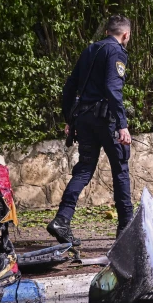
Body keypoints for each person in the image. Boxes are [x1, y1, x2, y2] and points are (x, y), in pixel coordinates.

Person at [47, 15, 134, 246]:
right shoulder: (116, 52)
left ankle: (62, 220)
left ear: (107, 31)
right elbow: (112, 89)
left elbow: (69, 87)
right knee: (120, 170)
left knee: (84, 169)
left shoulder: (89, 51)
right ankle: (126, 228)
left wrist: (70, 119)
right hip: (106, 121)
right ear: (125, 35)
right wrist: (122, 124)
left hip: (84, 119)